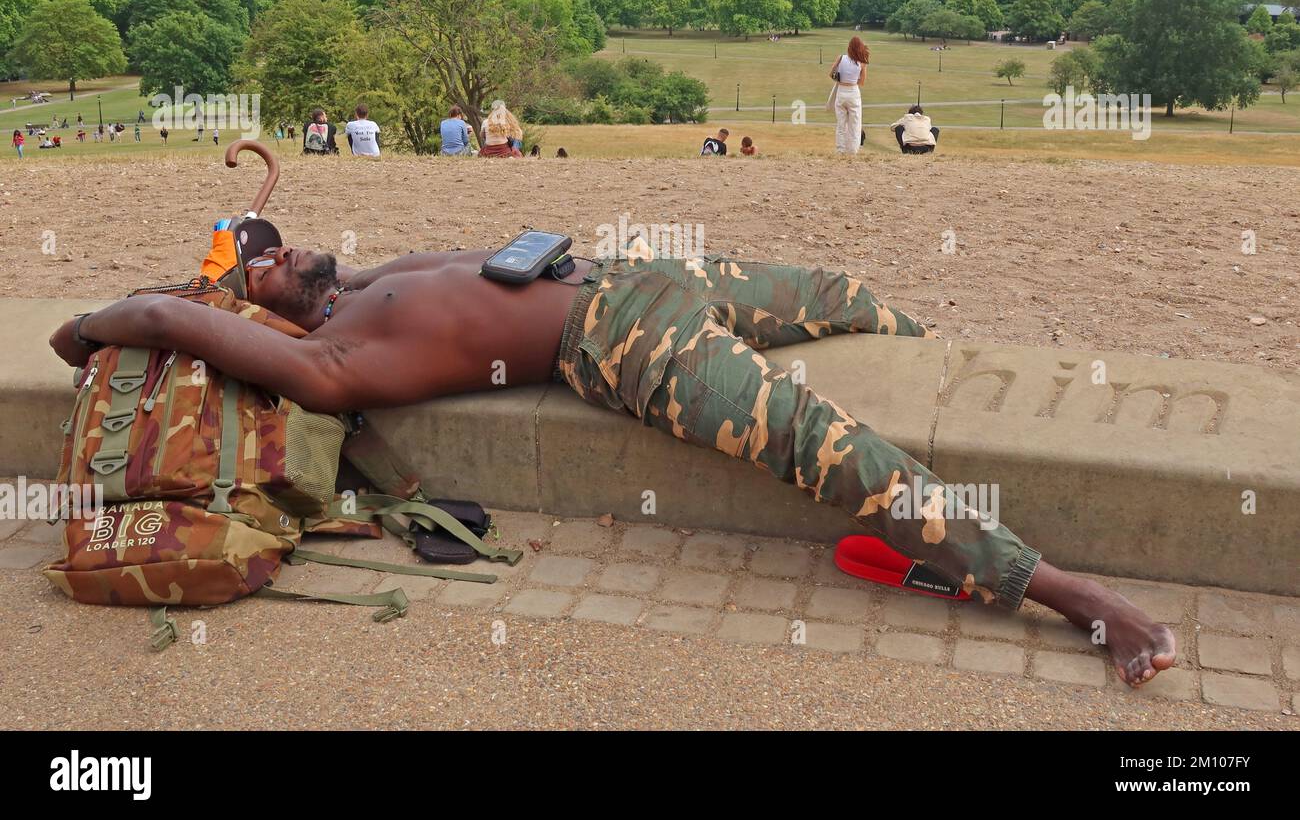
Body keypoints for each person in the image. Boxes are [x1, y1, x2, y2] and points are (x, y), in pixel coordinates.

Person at [51, 245, 1177, 689]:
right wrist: (90, 331)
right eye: (265, 264)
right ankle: (1075, 596)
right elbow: (158, 308)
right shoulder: (335, 360)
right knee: (840, 455)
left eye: (275, 240)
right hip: (631, 346)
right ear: (260, 321)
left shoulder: (348, 292)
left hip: (643, 277)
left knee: (851, 299)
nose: (283, 251)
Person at [829, 36, 868, 155]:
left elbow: (831, 74)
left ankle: (840, 150)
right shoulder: (861, 63)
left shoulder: (841, 58)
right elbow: (862, 82)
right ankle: (852, 151)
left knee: (841, 124)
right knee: (855, 124)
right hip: (853, 92)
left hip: (841, 91)